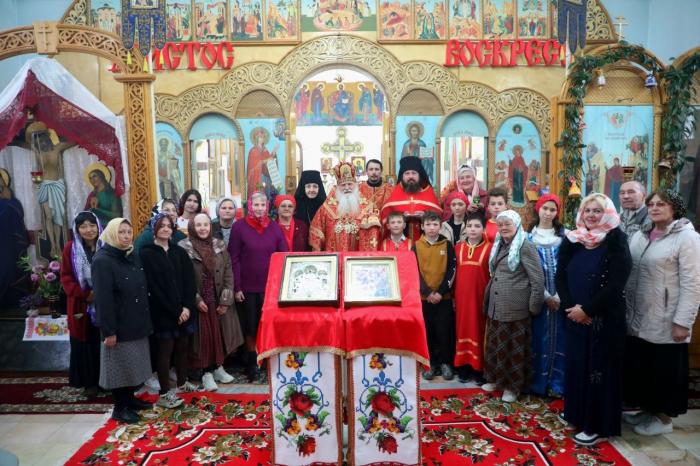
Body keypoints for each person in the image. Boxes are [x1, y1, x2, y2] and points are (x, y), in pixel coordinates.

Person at [555, 193, 631, 446]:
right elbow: (560, 277)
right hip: (575, 317)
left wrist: (587, 310)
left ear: (607, 213)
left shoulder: (616, 241)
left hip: (603, 320)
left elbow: (615, 284)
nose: (591, 215)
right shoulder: (574, 239)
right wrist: (571, 309)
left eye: (597, 211)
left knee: (598, 372)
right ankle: (576, 413)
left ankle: (598, 426)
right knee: (578, 366)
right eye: (587, 210)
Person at [623, 190, 700, 436]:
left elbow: (692, 284)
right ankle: (648, 410)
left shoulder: (687, 238)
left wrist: (683, 322)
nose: (655, 208)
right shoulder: (641, 234)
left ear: (674, 208)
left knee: (664, 371)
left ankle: (664, 419)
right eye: (651, 204)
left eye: (661, 204)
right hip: (638, 313)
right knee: (644, 367)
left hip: (666, 317)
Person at [92, 218, 153, 424]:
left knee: (133, 365)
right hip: (118, 325)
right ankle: (120, 408)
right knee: (119, 367)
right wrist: (108, 331)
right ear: (111, 234)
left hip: (136, 320)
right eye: (121, 232)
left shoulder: (131, 255)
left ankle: (130, 400)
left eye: (128, 231)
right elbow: (103, 299)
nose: (126, 236)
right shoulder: (102, 260)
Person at [482, 210, 544, 403]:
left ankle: (512, 387)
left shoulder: (525, 246)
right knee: (496, 344)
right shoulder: (499, 243)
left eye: (507, 224)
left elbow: (537, 279)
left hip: (515, 306)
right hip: (496, 304)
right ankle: (496, 380)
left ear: (517, 225)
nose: (503, 228)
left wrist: (534, 306)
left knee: (513, 348)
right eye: (500, 225)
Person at [140, 214, 198, 408]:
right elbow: (153, 287)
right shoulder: (147, 253)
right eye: (161, 226)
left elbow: (190, 281)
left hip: (184, 311)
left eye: (168, 226)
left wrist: (187, 307)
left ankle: (182, 382)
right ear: (154, 229)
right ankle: (164, 392)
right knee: (165, 352)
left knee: (183, 348)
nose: (165, 229)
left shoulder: (179, 251)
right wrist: (175, 311)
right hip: (163, 312)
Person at [180, 213, 243, 391]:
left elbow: (229, 271)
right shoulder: (184, 248)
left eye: (206, 225)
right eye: (198, 225)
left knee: (219, 335)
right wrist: (196, 299)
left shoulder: (219, 245)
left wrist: (226, 300)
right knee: (203, 338)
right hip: (199, 301)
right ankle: (206, 373)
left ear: (210, 226)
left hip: (217, 297)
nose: (202, 228)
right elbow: (182, 278)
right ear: (192, 227)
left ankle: (217, 368)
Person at [229, 192, 288, 382]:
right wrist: (237, 287)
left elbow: (284, 255)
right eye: (256, 205)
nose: (259, 208)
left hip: (271, 288)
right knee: (250, 326)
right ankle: (252, 363)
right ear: (250, 206)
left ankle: (269, 361)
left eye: (263, 205)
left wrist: (282, 286)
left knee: (268, 325)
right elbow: (234, 258)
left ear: (267, 207)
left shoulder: (275, 228)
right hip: (247, 287)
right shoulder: (239, 227)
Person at [527, 194, 567, 397]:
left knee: (560, 339)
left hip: (561, 298)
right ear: (538, 209)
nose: (548, 213)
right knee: (538, 338)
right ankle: (538, 383)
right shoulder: (528, 237)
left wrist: (558, 296)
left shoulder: (565, 237)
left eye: (552, 210)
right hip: (538, 297)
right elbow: (527, 270)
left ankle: (557, 383)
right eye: (545, 208)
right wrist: (545, 295)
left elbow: (569, 268)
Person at [60, 211, 102, 396]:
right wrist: (85, 294)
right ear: (77, 229)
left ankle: (105, 380)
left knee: (101, 341)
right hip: (80, 304)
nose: (89, 230)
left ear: (98, 227)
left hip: (103, 303)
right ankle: (89, 383)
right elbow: (66, 277)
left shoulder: (105, 246)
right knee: (84, 341)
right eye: (83, 226)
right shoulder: (70, 248)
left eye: (92, 225)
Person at [412, 211, 456, 381]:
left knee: (444, 331)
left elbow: (452, 271)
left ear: (440, 226)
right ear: (422, 227)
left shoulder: (447, 245)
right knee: (428, 332)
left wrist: (440, 292)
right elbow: (414, 271)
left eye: (435, 224)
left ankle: (446, 363)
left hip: (443, 298)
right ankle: (430, 364)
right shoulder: (416, 246)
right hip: (425, 299)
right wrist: (428, 293)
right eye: (428, 224)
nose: (431, 228)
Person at [453, 212, 492, 384]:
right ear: (465, 228)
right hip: (461, 299)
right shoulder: (458, 248)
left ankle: (479, 369)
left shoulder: (490, 248)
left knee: (479, 331)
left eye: (477, 226)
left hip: (480, 299)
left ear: (483, 229)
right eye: (469, 226)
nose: (473, 229)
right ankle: (463, 367)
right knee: (461, 330)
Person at [309, 162, 378, 251]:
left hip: (357, 256)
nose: (347, 188)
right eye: (343, 185)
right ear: (337, 187)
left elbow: (373, 234)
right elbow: (316, 231)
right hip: (333, 255)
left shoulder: (368, 208)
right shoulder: (326, 208)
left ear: (355, 185)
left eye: (350, 184)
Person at [381, 156, 442, 241]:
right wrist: (400, 217)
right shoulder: (394, 193)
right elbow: (385, 219)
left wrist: (425, 216)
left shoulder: (428, 192)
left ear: (419, 175)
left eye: (414, 173)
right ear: (402, 176)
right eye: (407, 173)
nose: (411, 176)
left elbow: (439, 217)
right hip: (399, 242)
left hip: (425, 241)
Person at [0, 169, 28, 305]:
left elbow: (18, 212)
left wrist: (9, 200)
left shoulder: (9, 199)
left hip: (7, 242)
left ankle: (10, 302)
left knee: (8, 269)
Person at [359, 159, 394, 241]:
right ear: (367, 172)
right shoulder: (359, 189)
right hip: (363, 230)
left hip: (384, 229)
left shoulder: (390, 189)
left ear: (381, 171)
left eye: (377, 169)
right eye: (371, 169)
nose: (374, 172)